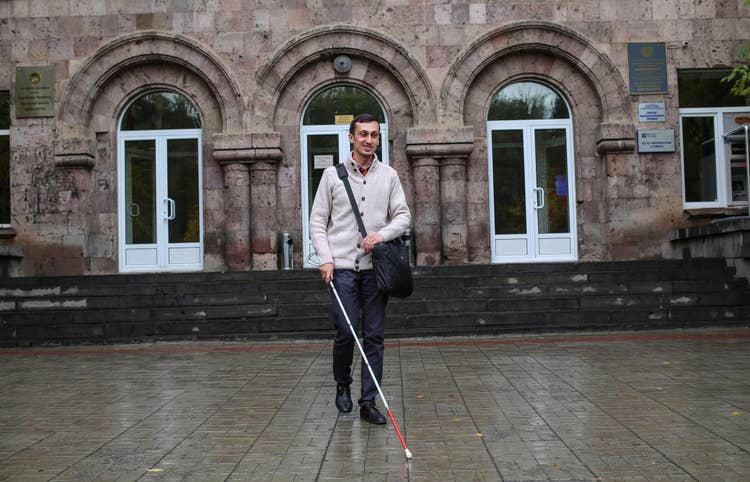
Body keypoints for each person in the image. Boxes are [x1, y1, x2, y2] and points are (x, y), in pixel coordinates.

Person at [309, 113, 411, 425]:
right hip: (341, 268)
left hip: (375, 270)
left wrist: (381, 234)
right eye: (363, 134)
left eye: (374, 135)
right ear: (351, 138)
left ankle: (368, 402)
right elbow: (317, 222)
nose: (369, 140)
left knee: (374, 336)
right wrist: (324, 258)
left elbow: (403, 216)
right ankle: (343, 383)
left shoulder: (389, 176)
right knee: (345, 330)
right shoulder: (331, 176)